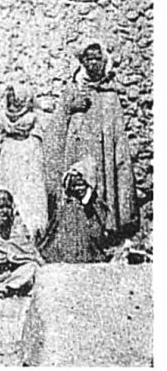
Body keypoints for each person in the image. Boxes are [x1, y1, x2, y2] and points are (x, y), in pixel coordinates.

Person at [47, 42, 137, 242]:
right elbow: (58, 122)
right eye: (89, 58)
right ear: (82, 61)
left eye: (97, 58)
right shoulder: (73, 89)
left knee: (100, 188)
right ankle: (77, 235)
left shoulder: (109, 94)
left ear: (104, 61)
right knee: (77, 188)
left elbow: (116, 132)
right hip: (77, 152)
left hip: (101, 154)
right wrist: (71, 108)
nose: (93, 63)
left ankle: (104, 232)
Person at [0, 83, 48, 241]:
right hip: (8, 162)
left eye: (17, 101)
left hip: (28, 162)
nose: (13, 105)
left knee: (30, 198)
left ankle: (32, 234)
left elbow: (42, 141)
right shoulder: (1, 119)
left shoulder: (34, 119)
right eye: (11, 100)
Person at [41, 157, 109, 263]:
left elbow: (98, 228)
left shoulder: (95, 205)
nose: (78, 189)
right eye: (74, 186)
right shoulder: (67, 206)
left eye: (81, 185)